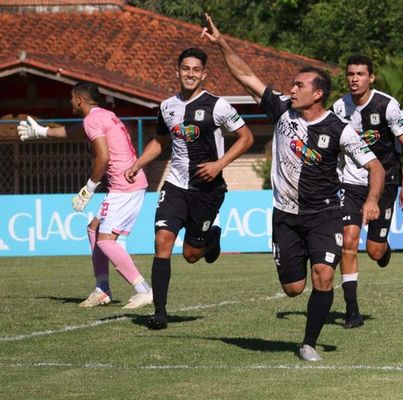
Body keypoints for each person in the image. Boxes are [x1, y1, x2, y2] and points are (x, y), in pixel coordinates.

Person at [202, 14, 385, 361]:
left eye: (299, 85)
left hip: (325, 214)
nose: (292, 89)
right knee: (292, 289)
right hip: (285, 215)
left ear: (317, 93)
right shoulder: (282, 110)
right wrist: (222, 43)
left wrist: (373, 199)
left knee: (323, 275)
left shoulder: (340, 129)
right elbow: (245, 76)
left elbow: (374, 165)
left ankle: (308, 344)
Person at [125, 47, 254, 330]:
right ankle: (160, 312)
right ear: (178, 71)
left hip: (207, 190)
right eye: (186, 68)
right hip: (175, 185)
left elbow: (246, 138)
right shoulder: (166, 106)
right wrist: (138, 164)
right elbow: (160, 142)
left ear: (204, 74)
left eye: (196, 70)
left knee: (192, 256)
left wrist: (219, 164)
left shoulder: (218, 105)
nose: (190, 74)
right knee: (162, 241)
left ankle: (211, 236)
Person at [17, 82, 153, 309]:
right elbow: (76, 132)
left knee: (106, 241)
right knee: (93, 229)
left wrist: (89, 188)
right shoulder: (102, 116)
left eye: (71, 97)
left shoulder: (93, 119)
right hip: (128, 185)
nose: (70, 101)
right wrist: (42, 132)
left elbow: (103, 157)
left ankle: (143, 289)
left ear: (79, 99)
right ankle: (102, 289)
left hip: (124, 187)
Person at [331, 55, 403, 329]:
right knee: (348, 241)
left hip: (386, 184)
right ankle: (352, 310)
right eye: (350, 74)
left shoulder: (386, 105)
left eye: (360, 74)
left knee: (375, 252)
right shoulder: (338, 107)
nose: (354, 79)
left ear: (371, 78)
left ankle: (383, 249)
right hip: (351, 184)